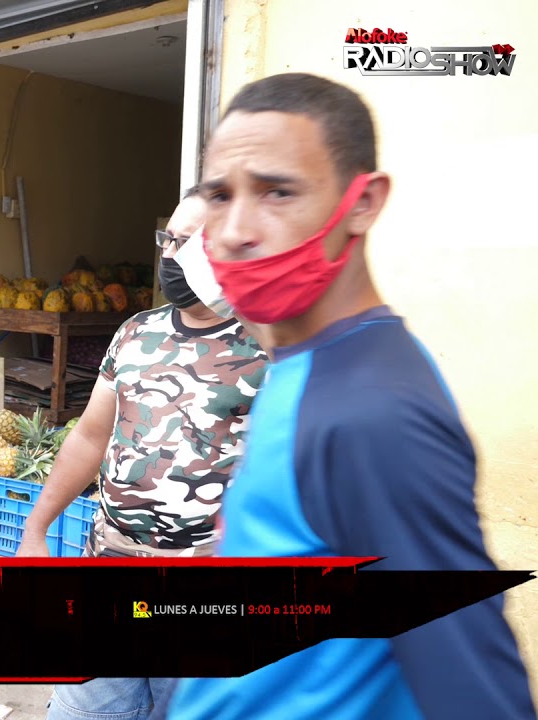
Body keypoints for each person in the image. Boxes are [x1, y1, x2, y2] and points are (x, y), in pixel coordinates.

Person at [166, 73, 535, 720]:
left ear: (363, 203)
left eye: (277, 192)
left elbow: (472, 684)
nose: (233, 231)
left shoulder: (374, 414)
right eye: (220, 196)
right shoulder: (304, 363)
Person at [14, 191, 268, 720]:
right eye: (166, 239)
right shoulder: (136, 332)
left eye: (184, 242)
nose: (168, 254)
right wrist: (36, 530)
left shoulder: (267, 345)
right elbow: (88, 437)